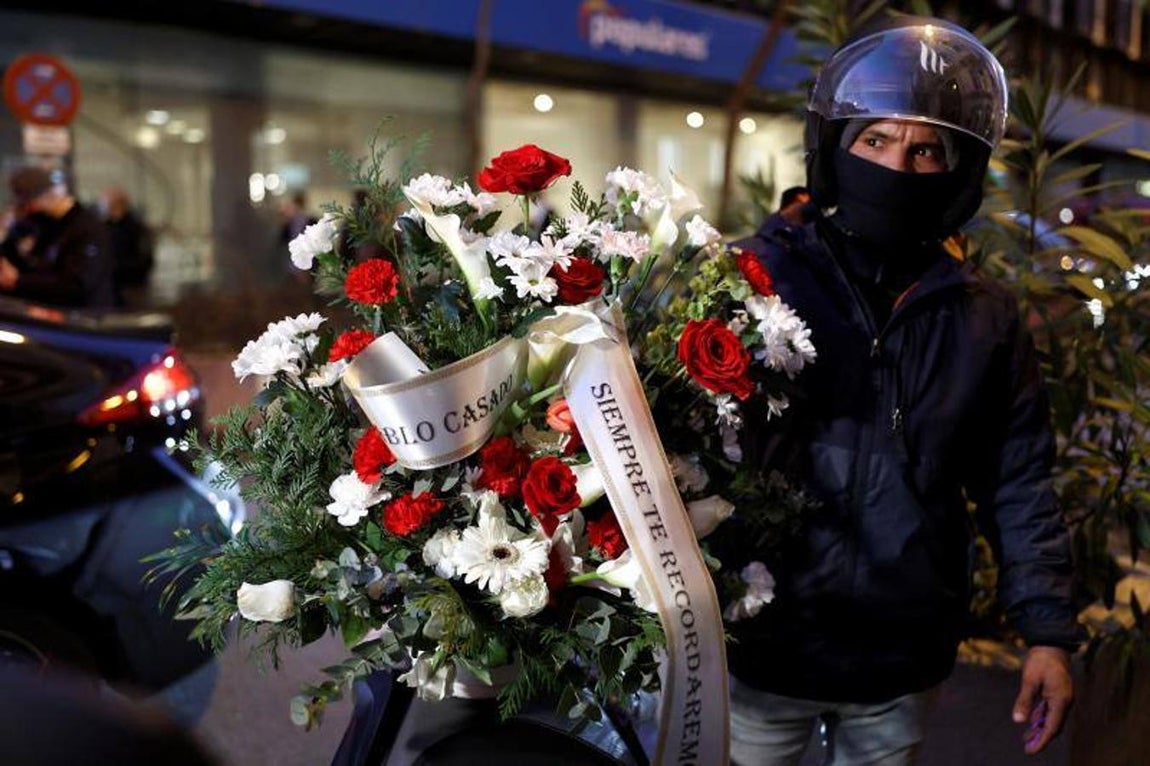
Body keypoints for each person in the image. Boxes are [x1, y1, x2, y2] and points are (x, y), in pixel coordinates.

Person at [729, 17, 1081, 765]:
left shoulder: (985, 317)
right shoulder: (754, 280)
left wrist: (1047, 632)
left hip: (898, 658)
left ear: (956, 174)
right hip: (760, 645)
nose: (900, 164)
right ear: (835, 148)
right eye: (876, 141)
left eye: (926, 150)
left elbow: (1018, 482)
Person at [0, 166, 115, 308]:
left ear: (49, 195)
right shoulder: (46, 224)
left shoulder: (87, 229)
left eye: (31, 203)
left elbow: (77, 284)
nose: (29, 209)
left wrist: (19, 280)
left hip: (82, 320)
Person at [100, 186, 155, 307]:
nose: (103, 207)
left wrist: (116, 268)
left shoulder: (136, 228)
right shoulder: (104, 227)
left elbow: (144, 258)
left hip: (131, 287)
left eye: (105, 203)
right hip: (110, 288)